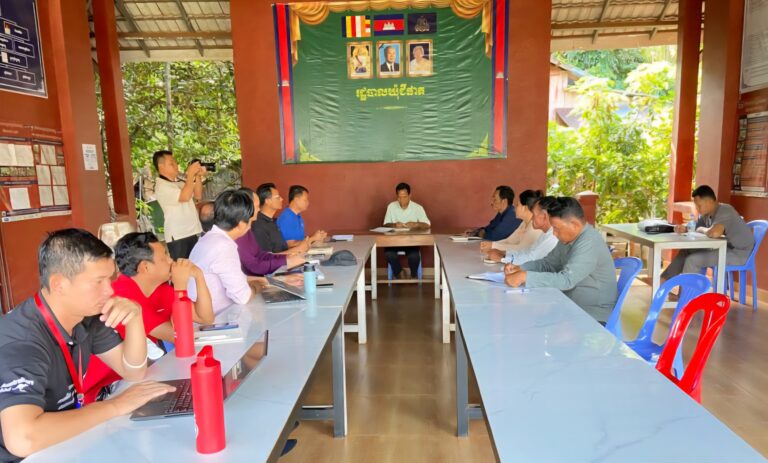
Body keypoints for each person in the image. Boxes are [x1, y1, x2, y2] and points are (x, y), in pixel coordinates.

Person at [0, 229, 174, 462]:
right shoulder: (22, 341)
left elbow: (133, 371)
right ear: (59, 284)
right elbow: (23, 439)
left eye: (110, 279)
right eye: (98, 282)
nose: (109, 290)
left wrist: (135, 318)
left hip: (62, 445)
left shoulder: (87, 316)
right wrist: (115, 406)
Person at [83, 232, 215, 402]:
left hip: (130, 379)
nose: (171, 261)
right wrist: (180, 286)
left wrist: (199, 276)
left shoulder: (160, 289)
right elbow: (181, 338)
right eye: (164, 257)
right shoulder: (123, 295)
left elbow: (206, 318)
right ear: (145, 267)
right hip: (102, 391)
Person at [504, 197, 618, 323]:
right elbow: (548, 264)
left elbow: (567, 280)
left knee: (531, 319)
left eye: (556, 228)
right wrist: (521, 268)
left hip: (593, 314)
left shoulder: (589, 241)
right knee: (525, 314)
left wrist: (526, 277)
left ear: (574, 224)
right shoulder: (568, 239)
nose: (554, 233)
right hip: (570, 305)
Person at [662, 185, 756, 280]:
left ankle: (689, 290)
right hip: (724, 249)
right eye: (696, 206)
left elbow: (714, 233)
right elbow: (696, 227)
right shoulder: (707, 215)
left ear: (710, 201)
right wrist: (685, 228)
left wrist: (701, 229)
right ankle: (663, 281)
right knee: (686, 251)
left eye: (699, 205)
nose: (697, 209)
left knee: (693, 260)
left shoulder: (725, 210)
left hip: (741, 253)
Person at [189, 189, 259, 314]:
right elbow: (242, 297)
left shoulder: (208, 238)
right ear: (241, 224)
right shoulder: (224, 246)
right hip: (215, 319)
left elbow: (235, 277)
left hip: (207, 314)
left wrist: (265, 281)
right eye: (250, 220)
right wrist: (258, 287)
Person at [237, 188, 304, 276]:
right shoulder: (243, 232)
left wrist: (286, 258)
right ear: (245, 208)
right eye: (256, 206)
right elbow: (254, 266)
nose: (258, 209)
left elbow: (261, 255)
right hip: (259, 278)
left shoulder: (248, 230)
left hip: (267, 274)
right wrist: (286, 261)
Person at [153, 150, 206, 259]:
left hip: (192, 231)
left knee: (197, 264)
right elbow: (185, 197)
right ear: (161, 166)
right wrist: (190, 174)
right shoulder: (162, 186)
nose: (176, 165)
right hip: (178, 235)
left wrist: (197, 176)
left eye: (175, 162)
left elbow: (198, 195)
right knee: (182, 267)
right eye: (171, 163)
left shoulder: (180, 183)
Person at [383, 182, 430, 279]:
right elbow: (385, 224)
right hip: (393, 241)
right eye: (399, 197)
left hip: (411, 241)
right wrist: (394, 225)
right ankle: (399, 272)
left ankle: (413, 275)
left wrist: (416, 224)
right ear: (396, 196)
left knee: (414, 256)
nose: (401, 200)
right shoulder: (391, 206)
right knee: (388, 254)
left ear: (409, 195)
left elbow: (427, 225)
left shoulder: (417, 208)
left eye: (404, 197)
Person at [481, 190, 544, 261]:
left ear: (525, 208)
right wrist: (491, 244)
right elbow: (510, 240)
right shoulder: (524, 223)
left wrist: (494, 245)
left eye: (517, 205)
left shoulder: (535, 226)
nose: (515, 209)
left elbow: (521, 248)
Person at [252, 183, 309, 256]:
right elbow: (266, 258)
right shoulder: (258, 225)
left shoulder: (273, 222)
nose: (282, 199)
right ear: (267, 201)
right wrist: (297, 249)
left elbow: (282, 249)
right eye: (277, 197)